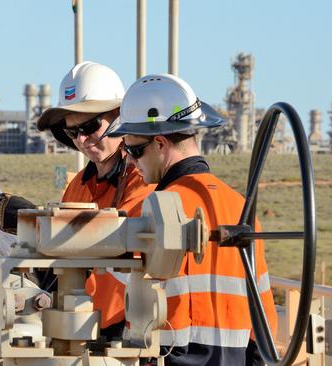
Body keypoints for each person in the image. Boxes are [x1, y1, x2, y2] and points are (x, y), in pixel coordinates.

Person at [104, 73, 277, 365]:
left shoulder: (151, 211)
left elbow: (111, 307)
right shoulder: (242, 209)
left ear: (160, 143)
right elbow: (264, 322)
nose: (130, 161)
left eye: (133, 150)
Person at [0, 61, 155, 338]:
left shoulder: (141, 180)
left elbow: (118, 238)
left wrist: (38, 223)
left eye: (90, 126)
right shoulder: (78, 185)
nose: (82, 140)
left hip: (126, 330)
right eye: (72, 132)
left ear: (120, 117)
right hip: (78, 325)